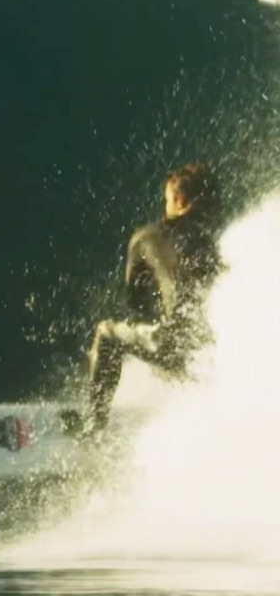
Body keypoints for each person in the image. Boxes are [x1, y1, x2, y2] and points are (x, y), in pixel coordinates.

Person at [64, 161, 223, 436]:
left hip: (179, 347)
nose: (165, 206)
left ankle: (93, 426)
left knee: (107, 334)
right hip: (216, 352)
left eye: (167, 200)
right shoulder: (216, 243)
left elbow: (136, 306)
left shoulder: (147, 238)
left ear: (179, 200)